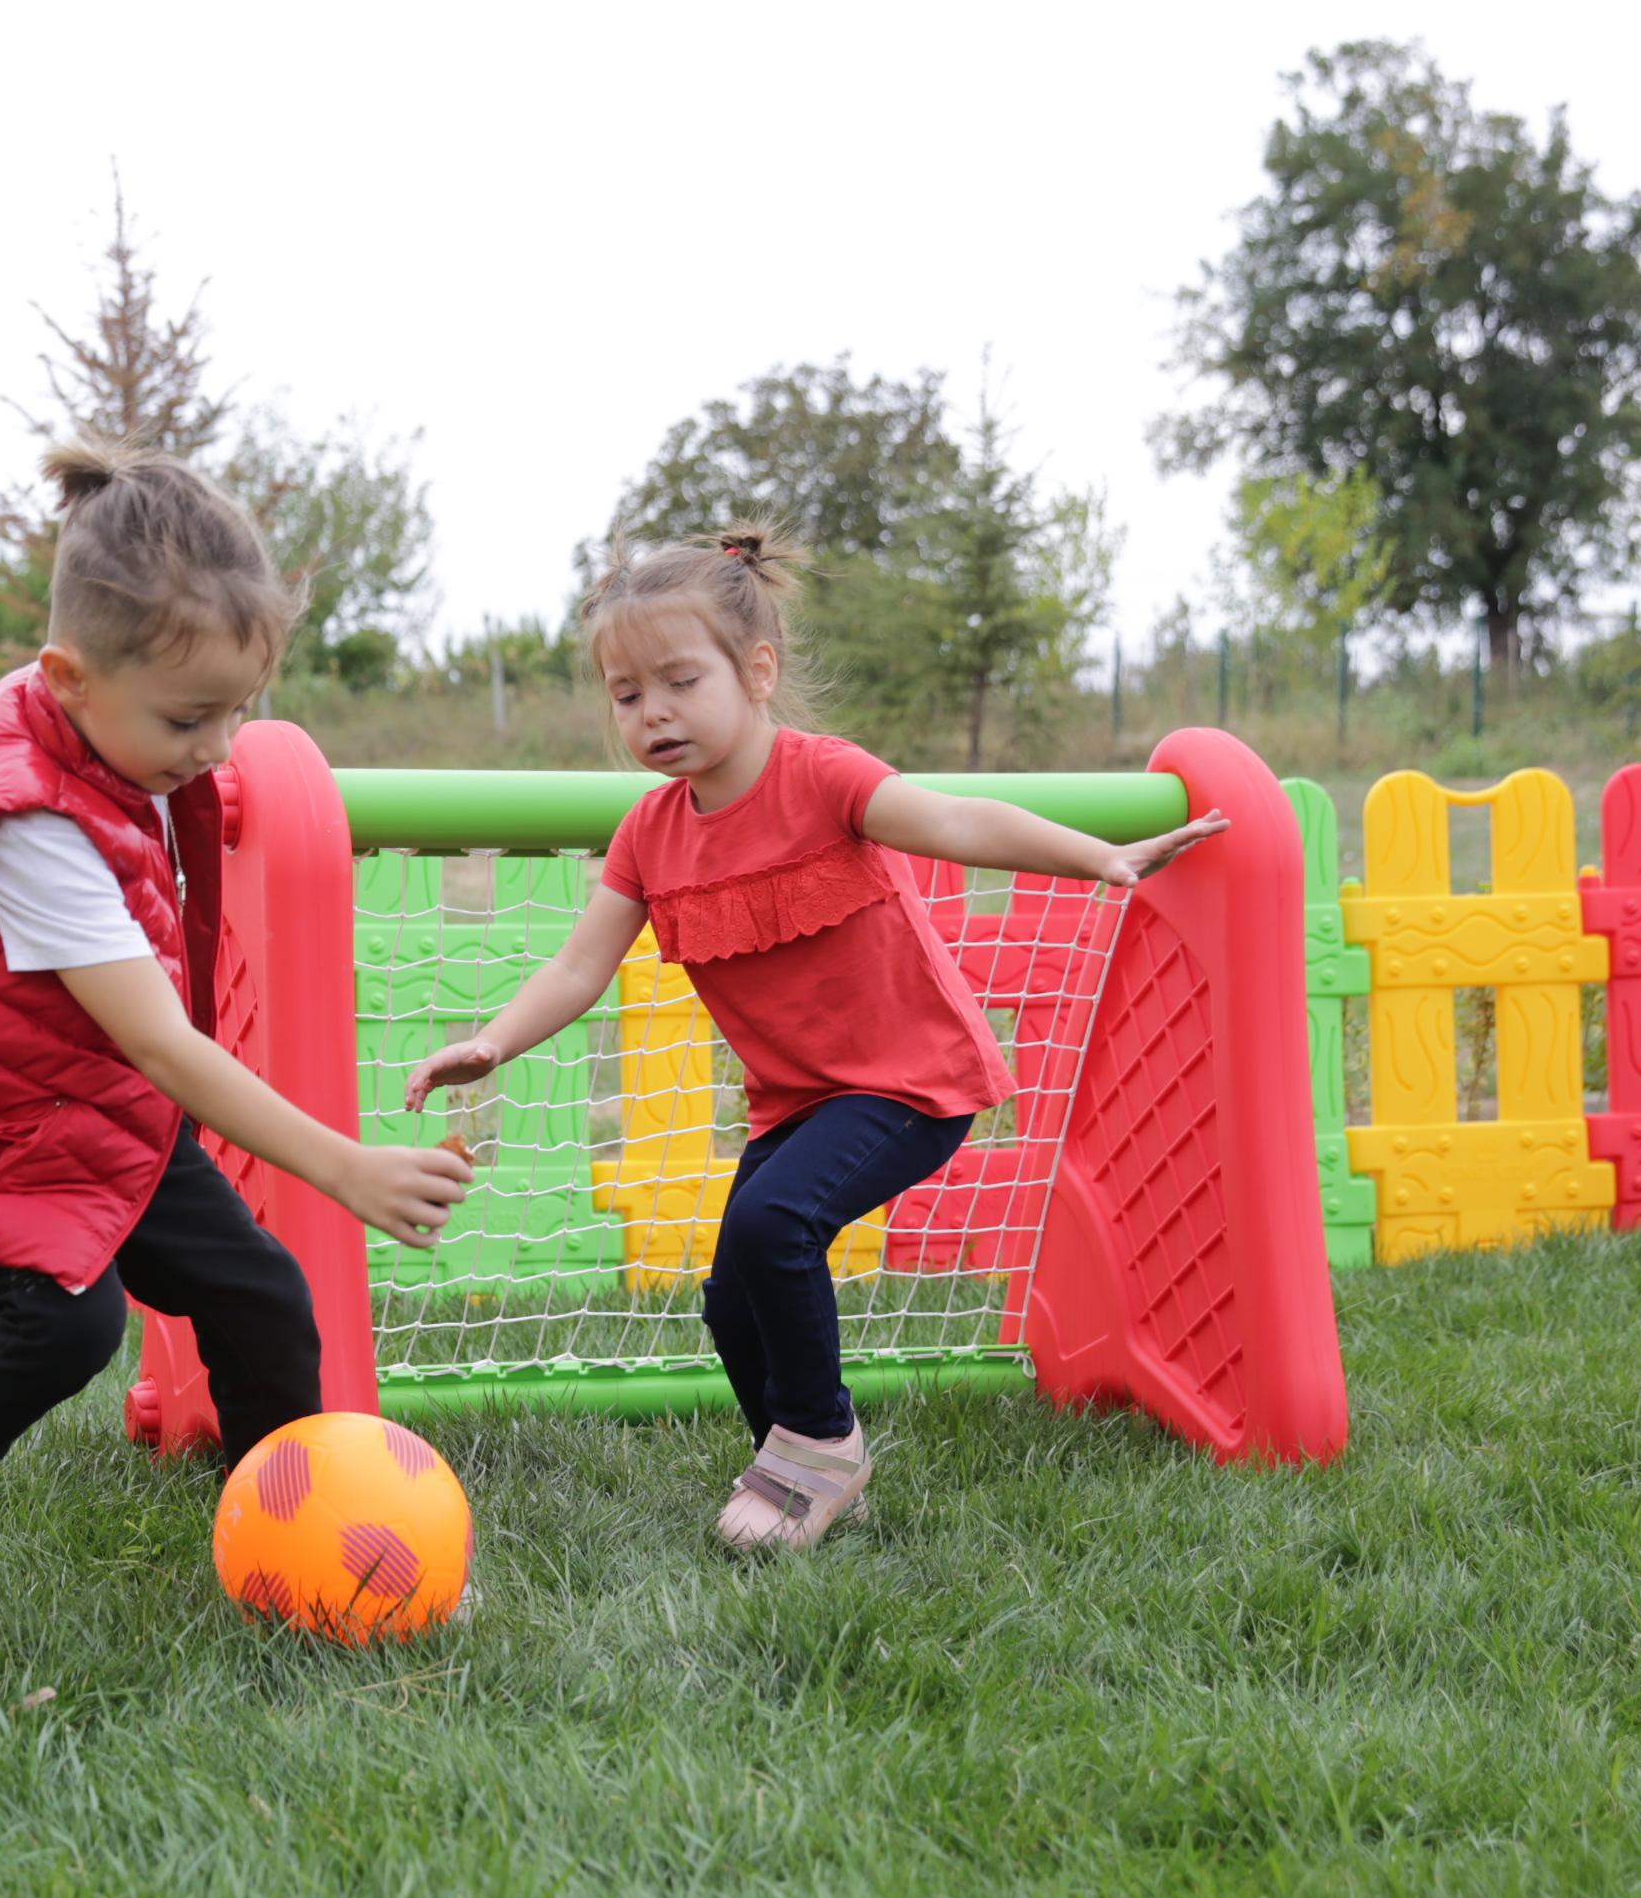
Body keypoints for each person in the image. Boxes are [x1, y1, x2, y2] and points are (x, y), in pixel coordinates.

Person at [405, 528, 1222, 1551]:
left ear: (757, 673)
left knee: (770, 1226)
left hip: (912, 1082)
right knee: (731, 1298)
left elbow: (958, 821)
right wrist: (492, 1043)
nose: (651, 712)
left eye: (678, 680)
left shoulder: (824, 778)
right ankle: (802, 1472)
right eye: (625, 695)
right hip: (799, 1100)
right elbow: (579, 967)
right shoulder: (649, 835)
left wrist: (1099, 855)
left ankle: (821, 1444)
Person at [0, 441, 476, 1650]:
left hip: (87, 1103)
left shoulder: (116, 719)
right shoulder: (26, 813)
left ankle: (294, 1539)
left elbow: (138, 1027)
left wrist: (183, 731)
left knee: (260, 1292)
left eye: (240, 710)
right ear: (67, 677)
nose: (217, 746)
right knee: (66, 1322)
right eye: (189, 718)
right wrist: (346, 1166)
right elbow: (159, 1043)